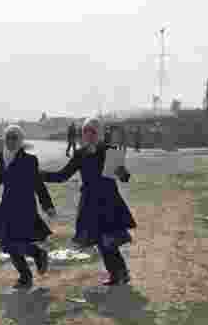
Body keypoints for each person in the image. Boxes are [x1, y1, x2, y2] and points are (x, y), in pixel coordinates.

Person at [40, 117, 136, 286]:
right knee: (99, 240)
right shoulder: (80, 154)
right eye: (85, 131)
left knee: (108, 240)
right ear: (82, 134)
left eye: (92, 131)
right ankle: (117, 274)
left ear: (98, 133)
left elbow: (124, 177)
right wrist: (40, 174)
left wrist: (122, 172)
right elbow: (62, 175)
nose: (89, 134)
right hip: (90, 202)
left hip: (108, 201)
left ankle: (120, 273)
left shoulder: (108, 150)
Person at [0, 125, 55, 290]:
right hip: (8, 206)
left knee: (17, 242)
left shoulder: (30, 161)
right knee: (7, 244)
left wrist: (47, 206)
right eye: (8, 137)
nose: (11, 141)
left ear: (21, 141)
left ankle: (37, 255)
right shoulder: (0, 158)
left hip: (25, 208)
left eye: (15, 138)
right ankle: (26, 276)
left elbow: (38, 185)